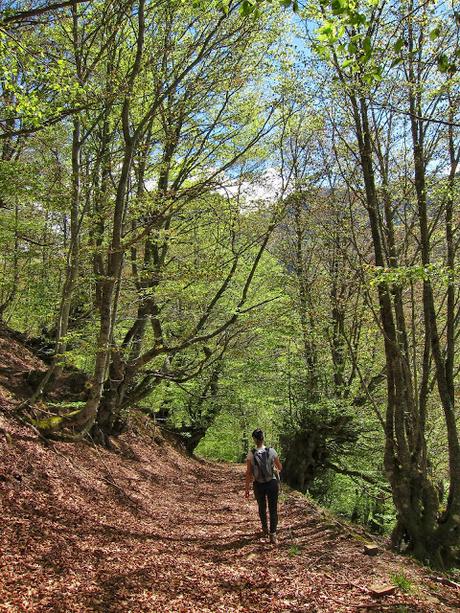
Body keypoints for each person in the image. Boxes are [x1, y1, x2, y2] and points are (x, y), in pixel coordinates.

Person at [245, 428, 282, 544]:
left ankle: (265, 529)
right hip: (272, 483)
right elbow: (280, 467)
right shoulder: (271, 451)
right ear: (263, 438)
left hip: (258, 484)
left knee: (262, 507)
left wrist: (247, 488)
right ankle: (273, 534)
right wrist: (275, 469)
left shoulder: (251, 453)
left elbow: (249, 473)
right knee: (273, 509)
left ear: (254, 440)